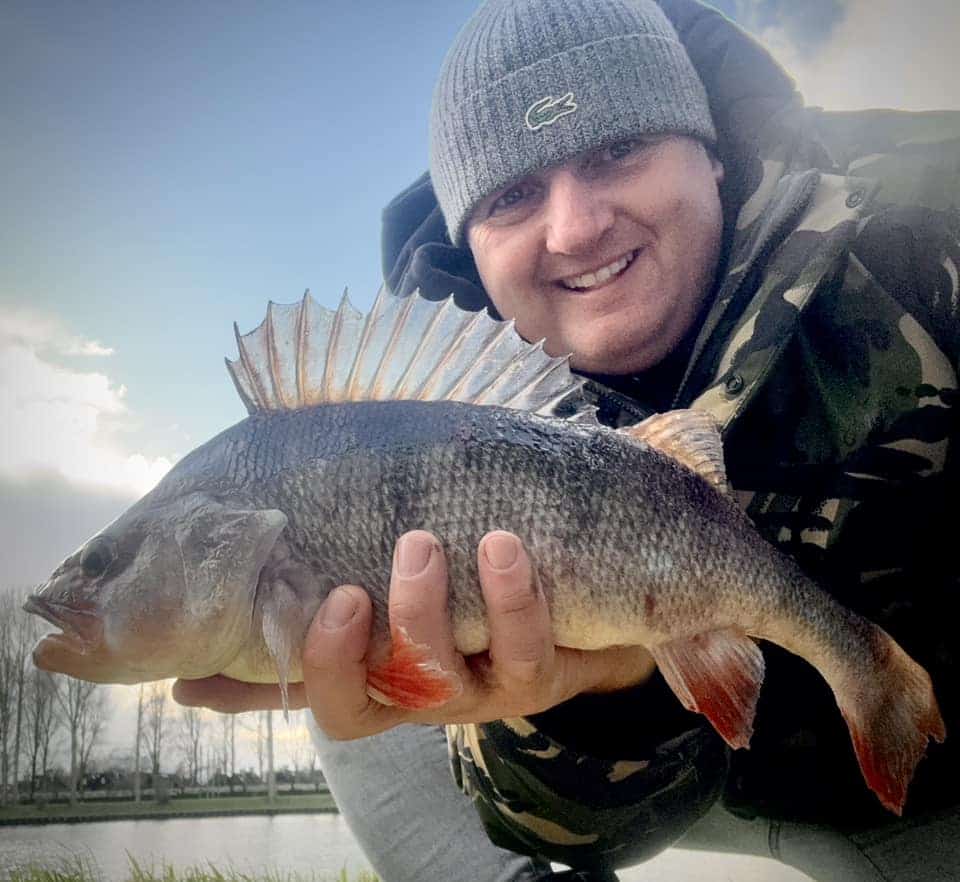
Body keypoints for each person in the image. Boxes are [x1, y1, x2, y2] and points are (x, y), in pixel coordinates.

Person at [174, 0, 960, 879]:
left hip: (936, 790)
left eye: (617, 150)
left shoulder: (928, 230)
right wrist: (597, 691)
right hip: (680, 793)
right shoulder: (431, 402)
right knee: (349, 656)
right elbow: (580, 826)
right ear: (471, 246)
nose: (576, 228)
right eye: (511, 195)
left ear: (710, 154)